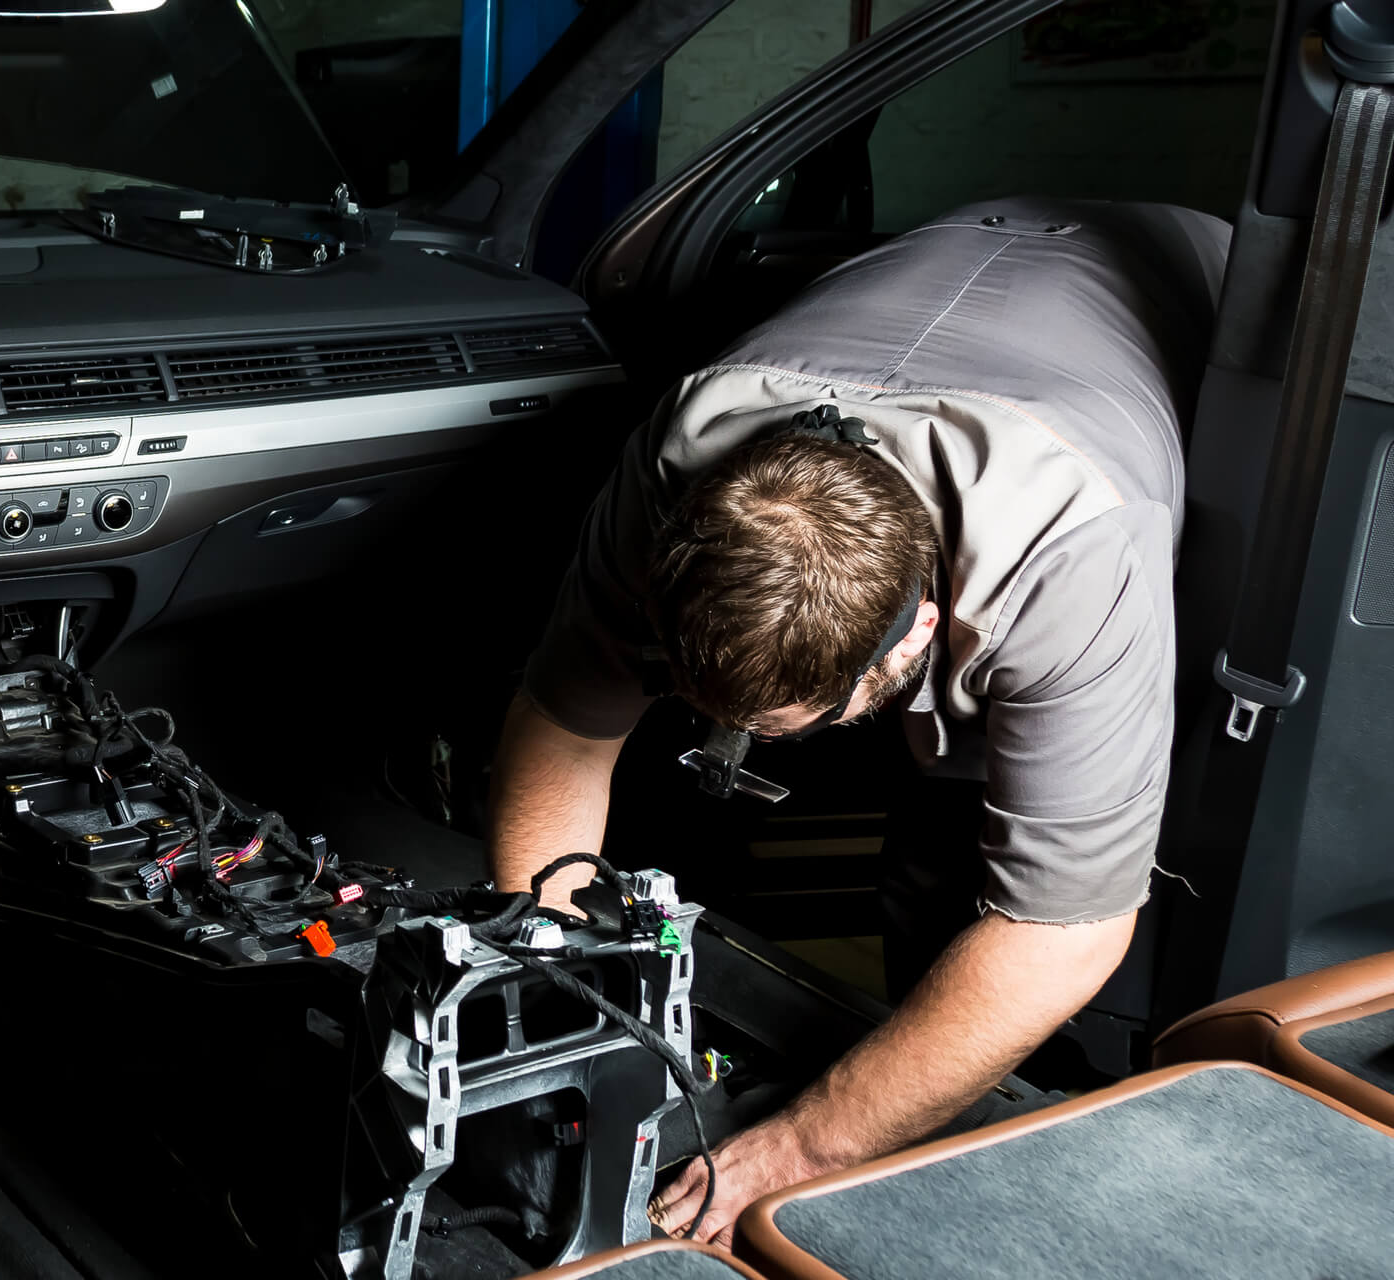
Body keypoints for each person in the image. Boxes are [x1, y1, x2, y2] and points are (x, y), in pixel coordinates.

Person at [486, 198, 1230, 1244]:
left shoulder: (1075, 552)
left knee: (958, 866)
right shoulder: (676, 464)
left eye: (793, 723)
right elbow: (563, 726)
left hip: (1186, 287)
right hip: (962, 249)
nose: (745, 751)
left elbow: (1062, 931)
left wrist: (802, 1144)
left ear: (921, 630)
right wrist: (545, 978)